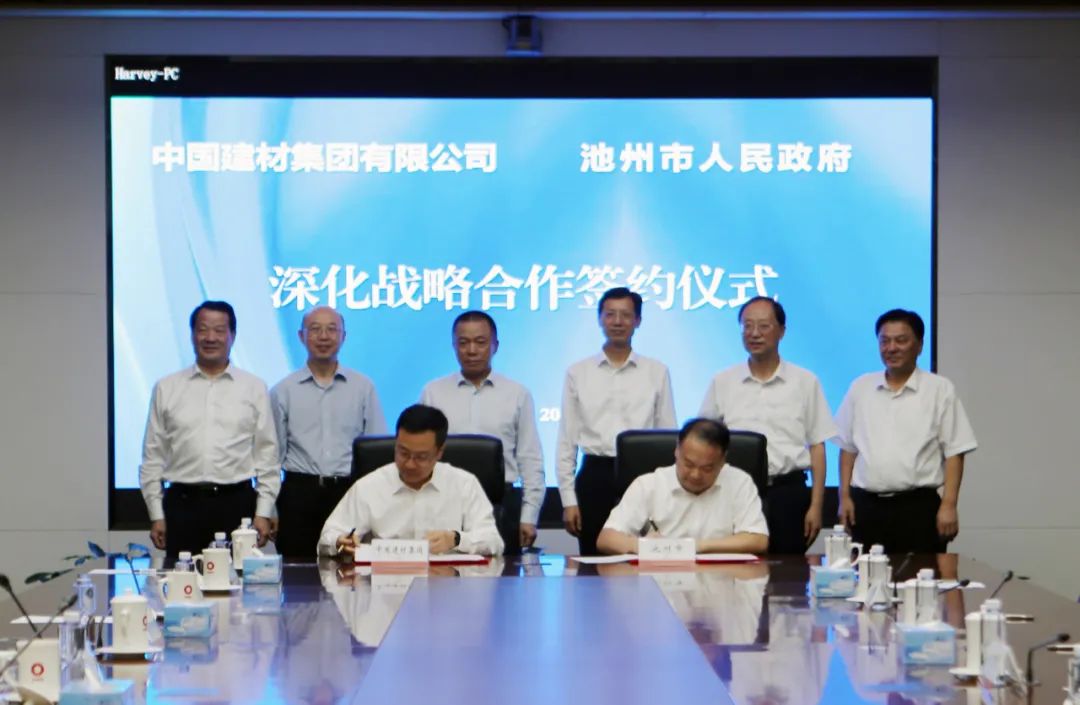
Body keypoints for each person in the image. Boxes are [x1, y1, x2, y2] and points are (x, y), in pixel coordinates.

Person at [139, 300, 279, 565]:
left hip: (237, 506)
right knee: (182, 584)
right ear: (192, 335)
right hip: (182, 506)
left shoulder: (253, 387)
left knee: (237, 584)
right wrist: (157, 514)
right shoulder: (166, 387)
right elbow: (153, 456)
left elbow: (267, 455)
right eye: (203, 329)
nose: (210, 337)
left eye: (219, 330)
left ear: (232, 335)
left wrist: (263, 512)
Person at [698, 296, 836, 553]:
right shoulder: (723, 381)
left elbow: (817, 446)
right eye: (747, 326)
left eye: (763, 326)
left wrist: (816, 506)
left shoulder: (805, 382)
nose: (754, 333)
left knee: (790, 570)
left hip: (789, 493)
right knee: (735, 567)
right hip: (736, 492)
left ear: (781, 331)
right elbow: (703, 439)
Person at [835, 309, 977, 554]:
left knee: (922, 575)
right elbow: (847, 449)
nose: (891, 348)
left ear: (919, 345)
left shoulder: (939, 389)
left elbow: (955, 452)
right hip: (866, 508)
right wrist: (844, 497)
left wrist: (949, 505)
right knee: (867, 576)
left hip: (918, 508)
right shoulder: (860, 387)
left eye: (901, 340)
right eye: (884, 341)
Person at [556, 287, 676, 555]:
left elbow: (668, 437)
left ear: (638, 321)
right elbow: (566, 440)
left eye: (626, 315)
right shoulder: (578, 372)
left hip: (643, 477)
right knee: (592, 562)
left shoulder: (656, 371)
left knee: (644, 558)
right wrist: (568, 500)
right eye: (610, 314)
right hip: (595, 476)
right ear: (600, 319)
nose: (618, 322)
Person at [420, 310, 544, 555]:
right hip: (446, 501)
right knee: (444, 573)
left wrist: (529, 516)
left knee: (503, 575)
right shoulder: (433, 393)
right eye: (463, 343)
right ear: (454, 346)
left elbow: (530, 458)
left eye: (480, 342)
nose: (472, 350)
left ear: (495, 345)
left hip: (500, 503)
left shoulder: (517, 394)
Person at [271, 306, 387, 558]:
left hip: (348, 493)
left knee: (350, 568)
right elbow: (272, 456)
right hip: (298, 494)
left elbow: (376, 455)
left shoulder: (363, 387)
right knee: (297, 570)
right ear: (301, 336)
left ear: (343, 336)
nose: (323, 336)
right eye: (315, 329)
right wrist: (269, 508)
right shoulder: (283, 390)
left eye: (331, 329)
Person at [318, 404, 503, 557]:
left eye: (421, 457)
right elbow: (329, 536)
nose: (410, 464)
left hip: (446, 585)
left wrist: (456, 539)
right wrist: (339, 541)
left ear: (439, 452)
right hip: (384, 585)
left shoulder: (464, 484)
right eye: (403, 453)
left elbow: (493, 542)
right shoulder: (369, 486)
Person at [597, 418, 768, 555]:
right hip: (659, 582)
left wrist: (692, 546)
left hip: (722, 581)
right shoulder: (648, 485)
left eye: (707, 468)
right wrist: (645, 546)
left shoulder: (739, 482)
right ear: (677, 451)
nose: (695, 475)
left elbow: (758, 540)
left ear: (723, 460)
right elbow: (606, 539)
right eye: (689, 464)